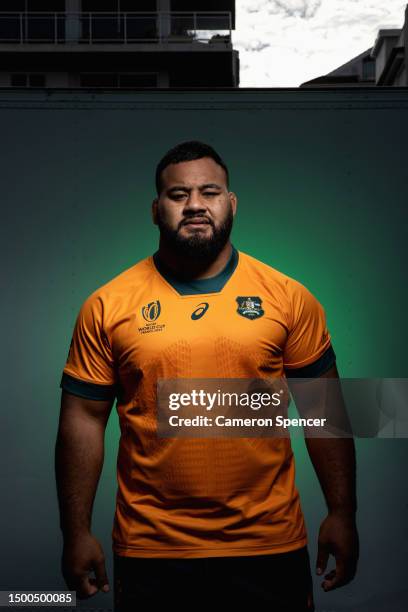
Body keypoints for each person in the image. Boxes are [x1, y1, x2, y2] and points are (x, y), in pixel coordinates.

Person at [55, 140, 359, 611]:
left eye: (209, 191)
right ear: (156, 210)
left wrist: (343, 513)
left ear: (230, 204)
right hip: (152, 550)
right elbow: (83, 420)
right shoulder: (107, 305)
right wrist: (74, 533)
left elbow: (325, 412)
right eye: (178, 195)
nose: (195, 204)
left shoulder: (288, 297)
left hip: (269, 545)